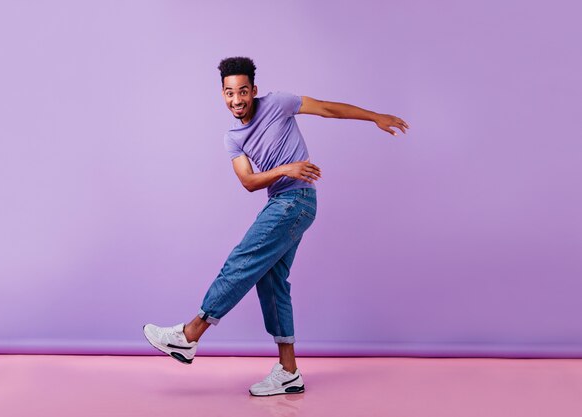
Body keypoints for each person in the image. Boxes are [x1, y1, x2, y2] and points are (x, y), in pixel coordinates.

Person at [143, 56, 409, 396]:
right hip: (282, 201)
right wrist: (286, 169)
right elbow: (249, 182)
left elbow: (328, 109)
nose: (236, 100)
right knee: (271, 281)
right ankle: (288, 371)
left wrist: (374, 117)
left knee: (243, 259)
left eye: (242, 92)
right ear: (222, 95)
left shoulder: (279, 103)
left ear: (254, 90)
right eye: (228, 93)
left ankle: (189, 335)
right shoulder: (233, 138)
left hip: (296, 202)